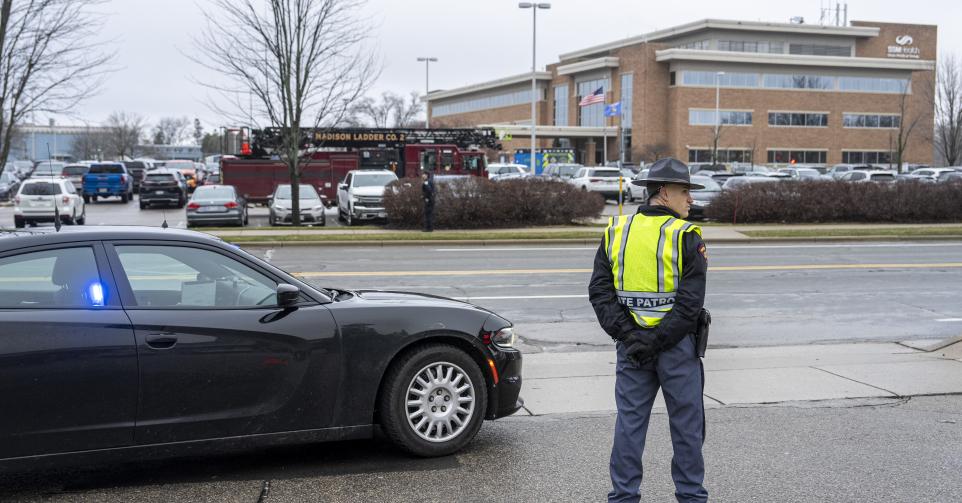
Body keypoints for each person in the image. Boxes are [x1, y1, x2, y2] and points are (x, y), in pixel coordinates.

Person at [588, 157, 709, 503]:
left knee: (629, 425)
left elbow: (599, 292)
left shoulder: (616, 231)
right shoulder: (686, 235)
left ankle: (623, 497)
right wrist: (655, 340)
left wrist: (631, 338)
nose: (690, 200)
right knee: (687, 428)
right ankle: (690, 498)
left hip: (632, 351)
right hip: (676, 350)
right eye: (685, 191)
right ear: (664, 192)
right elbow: (689, 305)